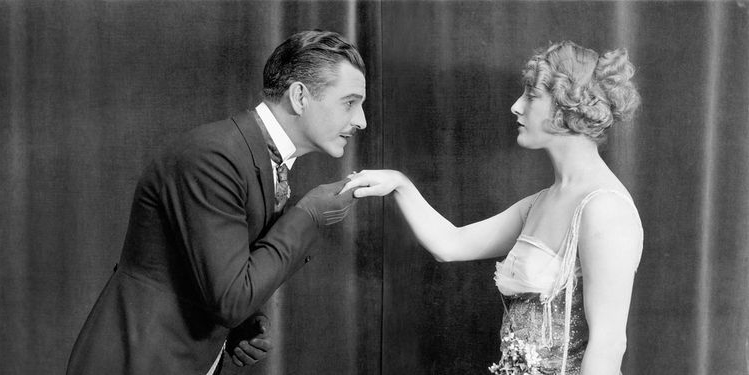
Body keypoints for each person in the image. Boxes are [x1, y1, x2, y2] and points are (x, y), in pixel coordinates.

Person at [67, 30, 367, 375]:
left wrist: (239, 327)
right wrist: (308, 215)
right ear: (299, 96)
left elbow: (215, 275)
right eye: (350, 102)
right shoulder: (215, 157)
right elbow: (231, 299)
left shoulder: (261, 160)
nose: (361, 120)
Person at [343, 41, 642, 374]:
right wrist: (400, 184)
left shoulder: (604, 209)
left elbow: (608, 344)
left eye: (530, 95)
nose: (516, 106)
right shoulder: (541, 202)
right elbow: (451, 244)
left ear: (566, 107)